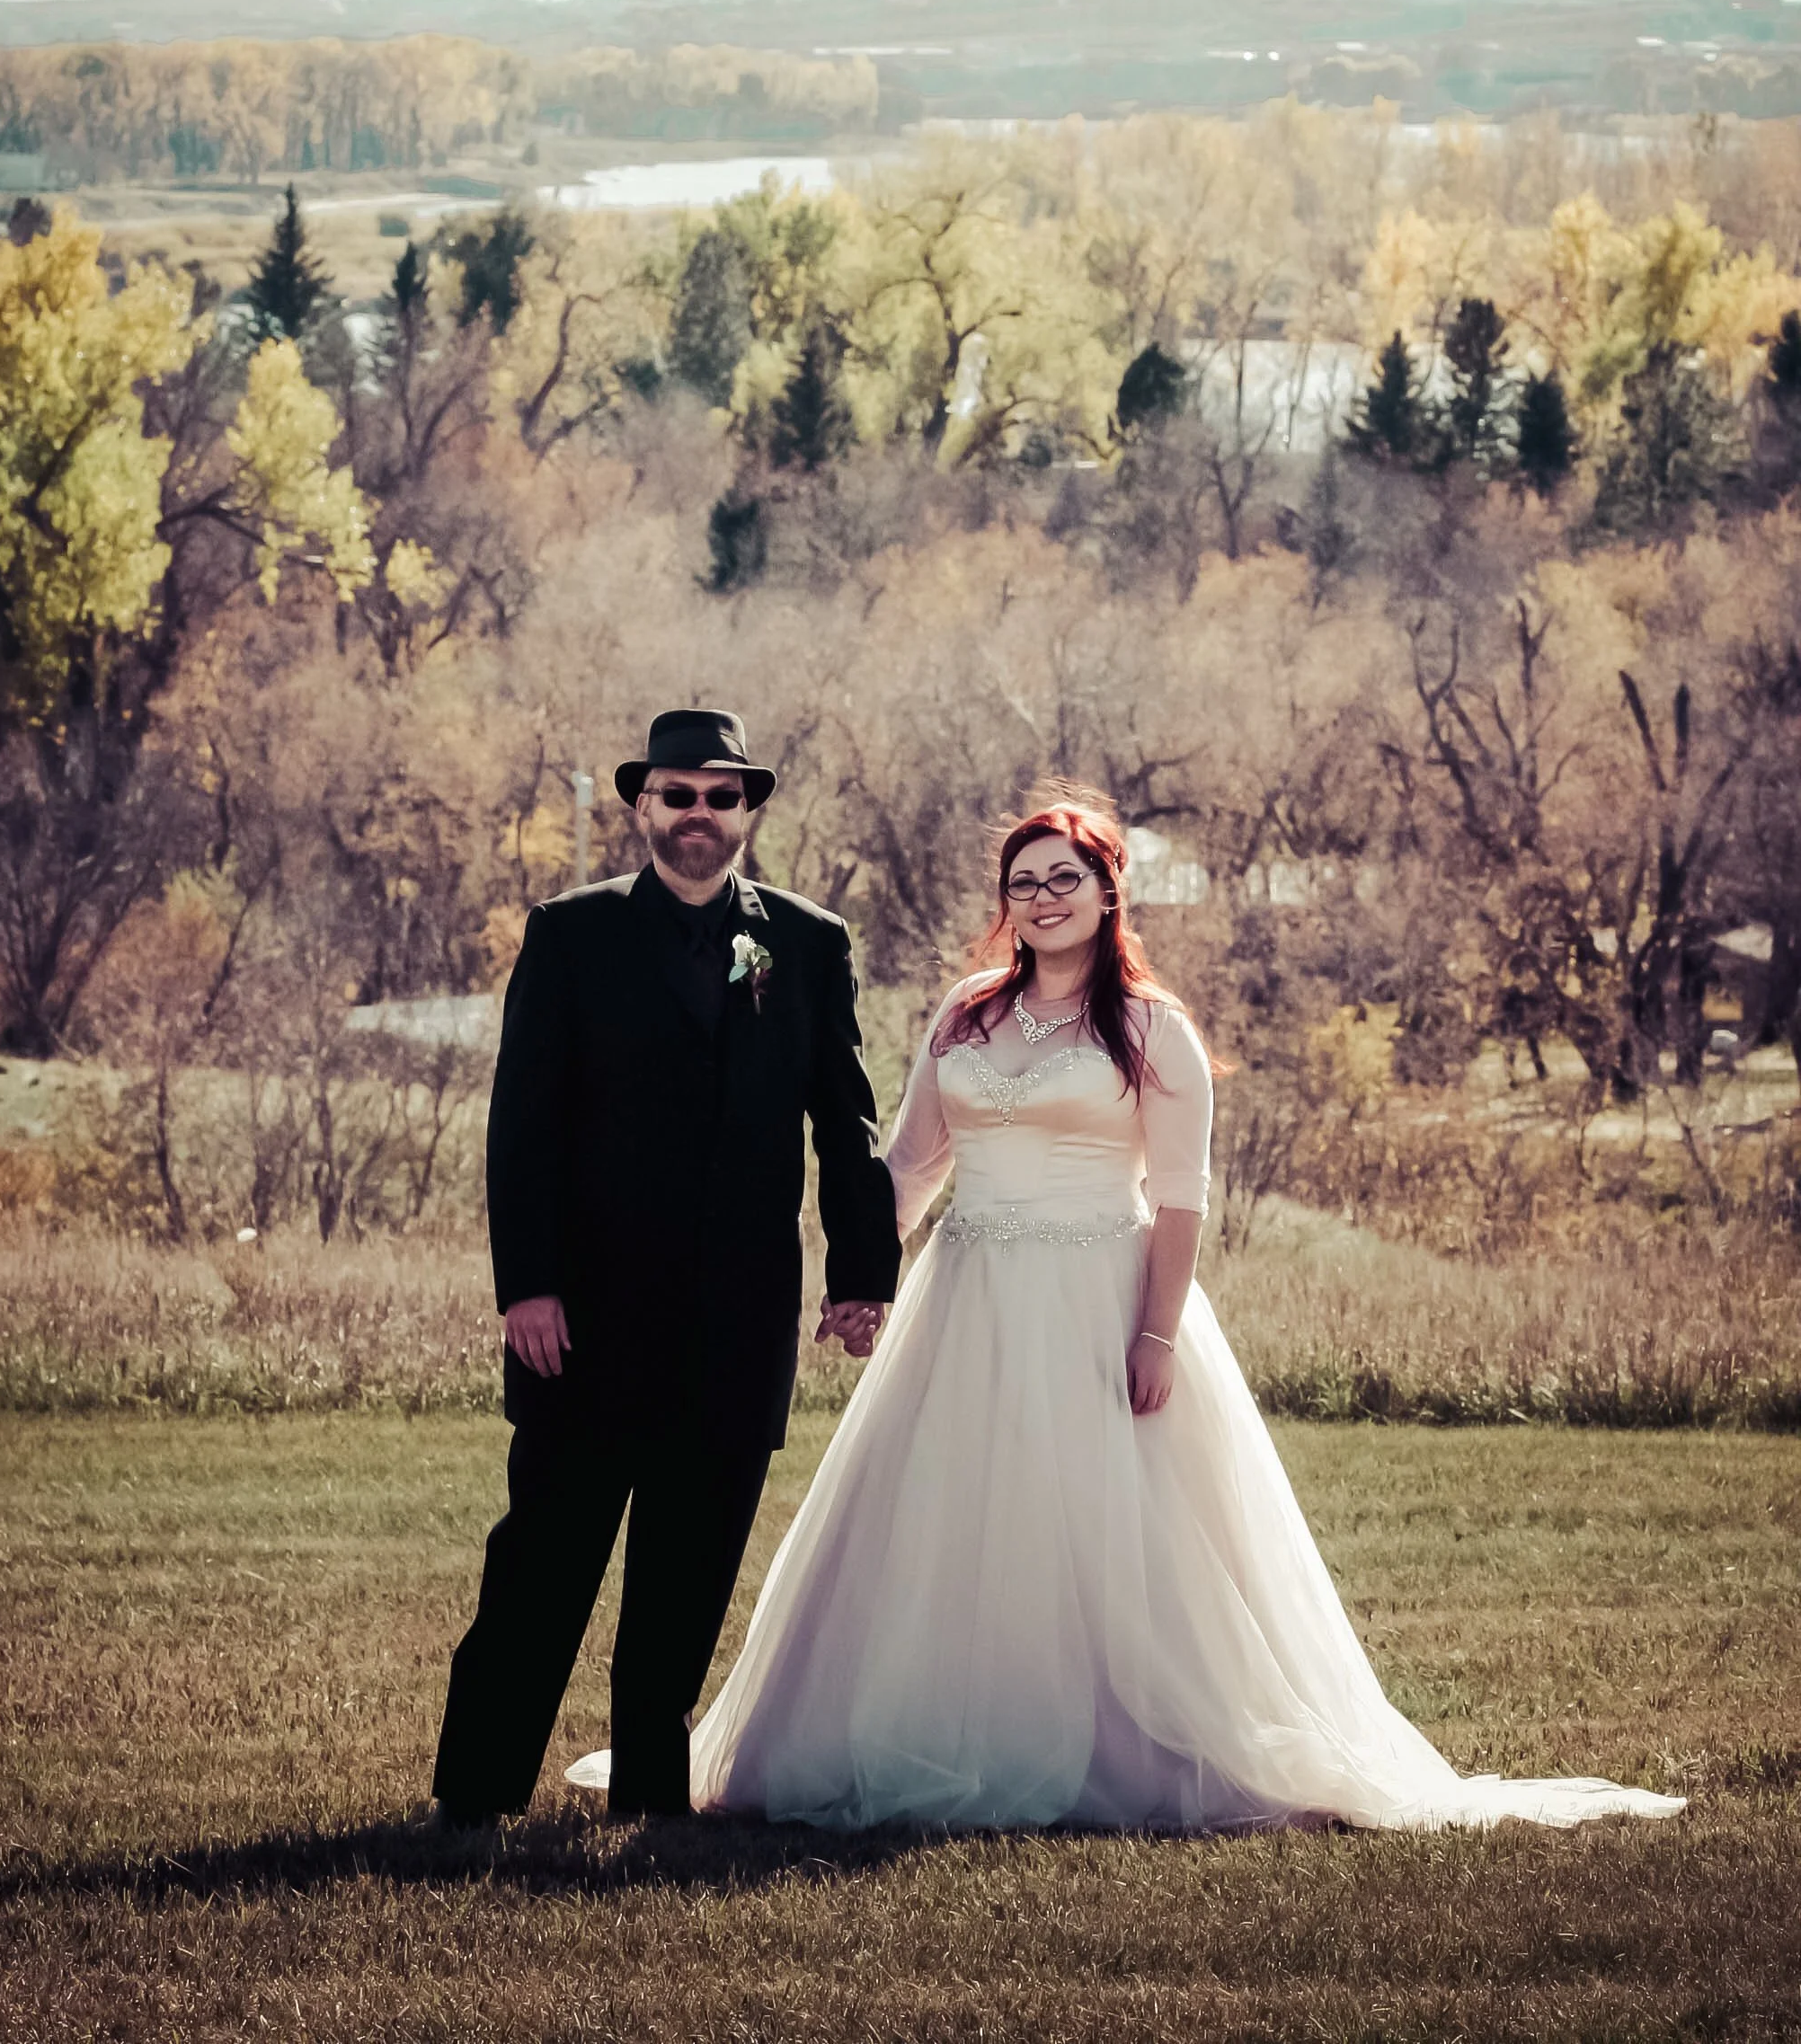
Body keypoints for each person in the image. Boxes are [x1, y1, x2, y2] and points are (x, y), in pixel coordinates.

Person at [593, 797, 1684, 1835]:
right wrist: (859, 1273)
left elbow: (1179, 1199)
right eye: (1022, 883)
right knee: (948, 1522)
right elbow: (914, 1163)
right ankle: (929, 1731)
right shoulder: (967, 1010)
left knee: (1109, 1529)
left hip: (1100, 1296)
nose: (1041, 898)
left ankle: (1138, 1745)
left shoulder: (1151, 1027)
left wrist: (1154, 1334)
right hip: (966, 1298)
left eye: (1063, 878)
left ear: (1108, 892)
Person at [432, 706, 900, 1825]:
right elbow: (522, 1128)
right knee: (542, 1568)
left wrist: (861, 1273)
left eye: (719, 797)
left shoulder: (805, 942)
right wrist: (526, 1285)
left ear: (748, 812)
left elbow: (847, 1121)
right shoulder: (568, 934)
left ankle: (650, 1799)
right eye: (677, 795)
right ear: (641, 806)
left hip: (735, 1324)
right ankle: (475, 1793)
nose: (698, 815)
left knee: (686, 1582)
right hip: (583, 1320)